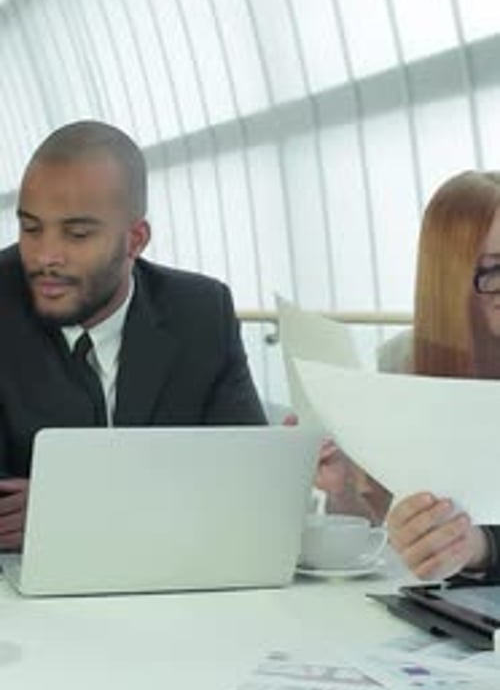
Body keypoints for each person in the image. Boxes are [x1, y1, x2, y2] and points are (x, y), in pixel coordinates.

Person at [0, 120, 266, 550]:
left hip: (173, 581)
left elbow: (247, 480)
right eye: (31, 228)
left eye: (77, 233)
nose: (45, 255)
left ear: (135, 239)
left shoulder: (200, 312)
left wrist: (76, 508)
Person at [318, 170, 500, 582]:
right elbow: (378, 528)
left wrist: (479, 546)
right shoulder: (406, 363)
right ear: (450, 280)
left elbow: (475, 545)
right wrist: (343, 485)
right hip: (455, 607)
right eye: (494, 270)